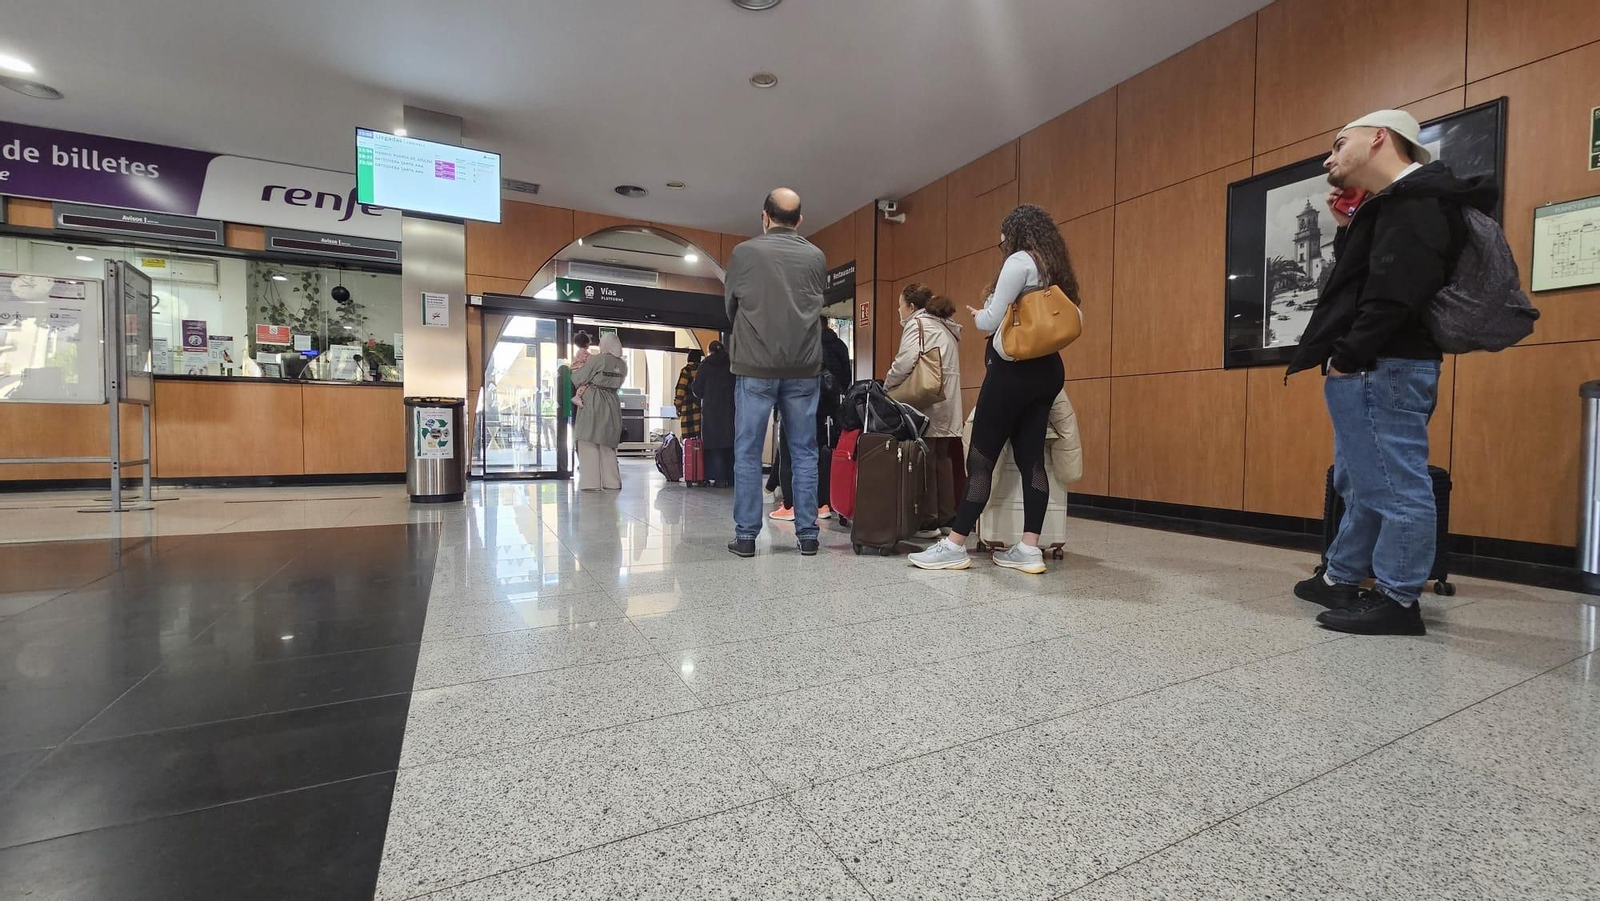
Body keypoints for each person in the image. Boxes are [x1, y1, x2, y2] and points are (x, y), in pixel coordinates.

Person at [1288, 110, 1494, 636]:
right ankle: (1343, 576)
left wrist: (1348, 356)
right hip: (1378, 365)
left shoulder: (1419, 201)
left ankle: (1400, 600)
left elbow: (1396, 292)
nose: (1330, 157)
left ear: (1379, 138)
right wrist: (1348, 230)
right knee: (1362, 482)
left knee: (1396, 486)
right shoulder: (1394, 207)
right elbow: (1367, 281)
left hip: (1384, 365)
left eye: (1340, 143)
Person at [910, 204, 1077, 575]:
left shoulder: (1018, 262)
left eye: (1002, 235)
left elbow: (991, 318)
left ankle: (955, 544)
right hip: (1048, 371)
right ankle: (1029, 548)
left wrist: (978, 314)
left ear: (1014, 233)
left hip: (1011, 374)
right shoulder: (1053, 266)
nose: (1000, 242)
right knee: (1031, 459)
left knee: (981, 460)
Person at [724, 188, 826, 558]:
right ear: (799, 220)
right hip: (803, 367)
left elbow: (730, 307)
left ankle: (747, 537)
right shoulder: (816, 256)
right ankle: (809, 534)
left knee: (748, 451)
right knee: (804, 452)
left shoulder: (744, 253)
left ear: (764, 217)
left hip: (755, 366)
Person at [884, 284, 962, 537]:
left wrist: (888, 386)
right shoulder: (945, 326)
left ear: (912, 307)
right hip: (947, 399)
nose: (899, 310)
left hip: (928, 400)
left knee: (925, 457)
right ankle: (947, 518)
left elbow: (905, 361)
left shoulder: (917, 325)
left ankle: (928, 520)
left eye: (900, 305)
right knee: (942, 458)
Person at [772, 317, 851, 521]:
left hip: (800, 408)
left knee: (790, 456)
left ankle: (791, 505)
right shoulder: (840, 346)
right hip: (830, 412)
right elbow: (845, 379)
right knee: (823, 456)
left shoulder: (804, 345)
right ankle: (823, 504)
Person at [572, 332, 629, 491]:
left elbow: (578, 378)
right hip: (612, 402)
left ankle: (591, 483)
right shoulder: (623, 364)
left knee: (588, 441)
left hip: (594, 401)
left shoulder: (598, 360)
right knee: (607, 444)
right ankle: (612, 482)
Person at [691, 340, 736, 486]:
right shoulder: (732, 364)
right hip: (731, 410)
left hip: (711, 412)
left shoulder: (705, 366)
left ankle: (719, 478)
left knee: (715, 445)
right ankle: (732, 478)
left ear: (709, 351)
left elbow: (697, 389)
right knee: (731, 445)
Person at [674, 349, 704, 441]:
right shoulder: (703, 371)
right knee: (700, 442)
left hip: (688, 413)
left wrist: (677, 406)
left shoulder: (686, 371)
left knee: (689, 444)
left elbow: (680, 392)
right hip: (702, 413)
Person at [570, 332, 594, 410]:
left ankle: (578, 396)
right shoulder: (583, 352)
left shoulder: (580, 351)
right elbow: (590, 360)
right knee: (585, 383)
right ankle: (578, 396)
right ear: (587, 342)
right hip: (578, 369)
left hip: (577, 369)